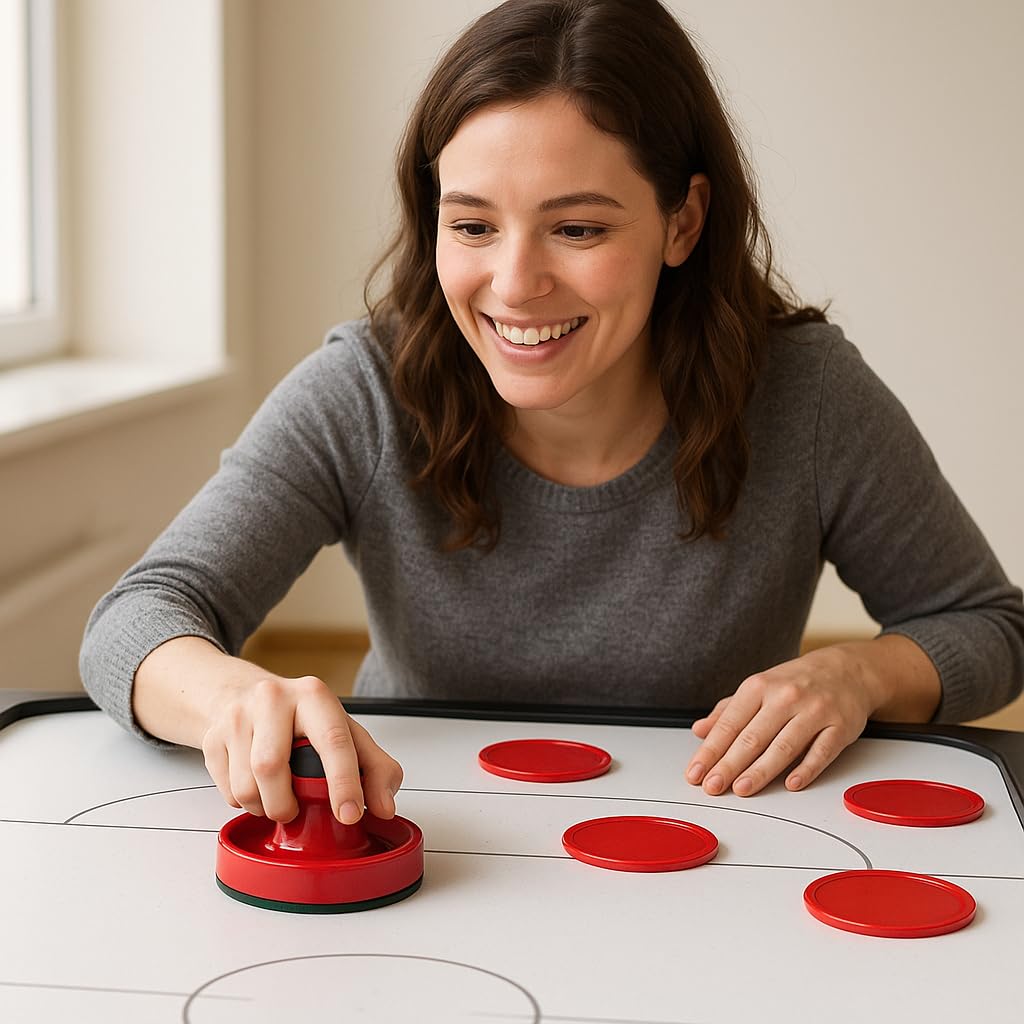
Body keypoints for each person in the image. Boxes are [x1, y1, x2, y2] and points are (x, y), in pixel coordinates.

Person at [80, 0, 1024, 829]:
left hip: (713, 859)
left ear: (684, 223)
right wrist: (233, 698)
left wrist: (859, 674)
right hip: (435, 849)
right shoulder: (366, 387)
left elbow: (989, 623)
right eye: (473, 224)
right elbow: (136, 620)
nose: (515, 285)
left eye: (578, 228)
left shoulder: (808, 396)